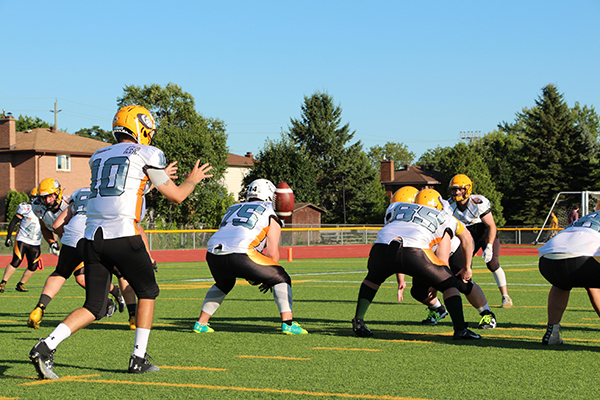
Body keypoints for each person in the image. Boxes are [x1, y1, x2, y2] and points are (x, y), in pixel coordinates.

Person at [28, 105, 213, 380]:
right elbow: (177, 196)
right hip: (124, 234)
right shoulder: (148, 152)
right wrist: (191, 180)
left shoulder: (98, 155)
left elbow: (121, 185)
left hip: (92, 238)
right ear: (140, 128)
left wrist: (154, 178)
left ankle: (46, 346)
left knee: (94, 306)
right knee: (148, 291)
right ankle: (138, 357)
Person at [352, 188, 481, 340]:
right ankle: (460, 329)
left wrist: (400, 278)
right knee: (449, 284)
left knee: (372, 279)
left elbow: (394, 232)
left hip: (381, 246)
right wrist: (467, 268)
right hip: (415, 250)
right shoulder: (445, 215)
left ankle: (358, 321)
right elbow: (466, 238)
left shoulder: (395, 207)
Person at [193, 178, 308, 335]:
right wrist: (270, 277)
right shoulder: (270, 210)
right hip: (241, 253)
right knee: (282, 278)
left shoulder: (232, 207)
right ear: (270, 196)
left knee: (224, 283)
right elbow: (272, 252)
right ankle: (288, 324)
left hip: (213, 253)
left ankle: (201, 323)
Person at [391, 188, 497, 330]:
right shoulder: (408, 224)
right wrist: (401, 279)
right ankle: (438, 309)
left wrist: (467, 268)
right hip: (431, 253)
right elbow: (401, 250)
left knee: (462, 283)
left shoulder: (441, 221)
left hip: (455, 250)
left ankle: (487, 313)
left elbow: (443, 261)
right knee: (418, 291)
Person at [27, 187, 126, 329]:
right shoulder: (107, 193)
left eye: (51, 196)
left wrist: (65, 239)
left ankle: (40, 307)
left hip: (72, 237)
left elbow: (56, 225)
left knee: (61, 273)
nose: (47, 200)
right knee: (108, 272)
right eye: (44, 197)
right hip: (93, 236)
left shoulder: (74, 196)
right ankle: (123, 309)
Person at [447, 174, 513, 308]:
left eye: (460, 189)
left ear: (468, 189)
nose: (457, 192)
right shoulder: (449, 205)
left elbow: (491, 226)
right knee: (463, 268)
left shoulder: (478, 202)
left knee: (492, 263)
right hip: (467, 236)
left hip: (485, 233)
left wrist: (489, 246)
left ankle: (505, 296)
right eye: (454, 189)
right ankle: (471, 296)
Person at [538, 206, 600, 345]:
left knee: (561, 284)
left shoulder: (590, 216)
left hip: (547, 261)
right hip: (582, 258)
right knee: (592, 279)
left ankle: (552, 332)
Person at [1, 188, 43, 293]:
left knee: (33, 265)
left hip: (35, 241)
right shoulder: (25, 207)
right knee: (16, 261)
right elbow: (13, 222)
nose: (35, 200)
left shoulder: (45, 209)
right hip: (23, 239)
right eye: (34, 197)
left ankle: (21, 284)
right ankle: (3, 282)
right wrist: (8, 237)